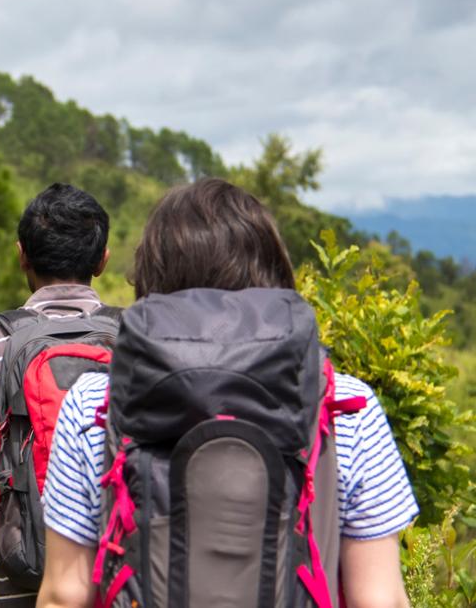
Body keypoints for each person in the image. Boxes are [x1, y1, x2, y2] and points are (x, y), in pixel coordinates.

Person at [36, 178, 417, 608]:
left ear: (151, 276)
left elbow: (65, 595)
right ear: (274, 274)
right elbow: (380, 599)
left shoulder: (96, 402)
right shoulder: (345, 405)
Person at [0, 183, 113, 607]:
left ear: (22, 255)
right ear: (102, 260)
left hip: (22, 572)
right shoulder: (140, 339)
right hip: (119, 572)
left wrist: (8, 491)